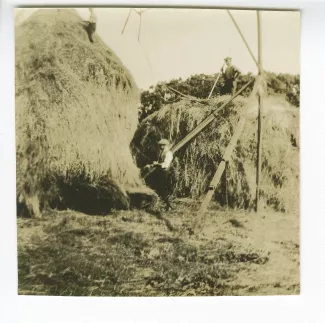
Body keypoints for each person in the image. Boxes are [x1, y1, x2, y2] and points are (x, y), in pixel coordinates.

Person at [145, 139, 173, 211]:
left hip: (164, 173)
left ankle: (169, 205)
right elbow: (159, 162)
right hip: (160, 172)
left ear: (166, 146)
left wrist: (157, 164)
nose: (161, 147)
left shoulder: (168, 154)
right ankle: (160, 204)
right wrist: (151, 165)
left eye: (163, 145)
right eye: (160, 146)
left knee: (162, 189)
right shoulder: (162, 153)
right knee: (157, 187)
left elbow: (165, 165)